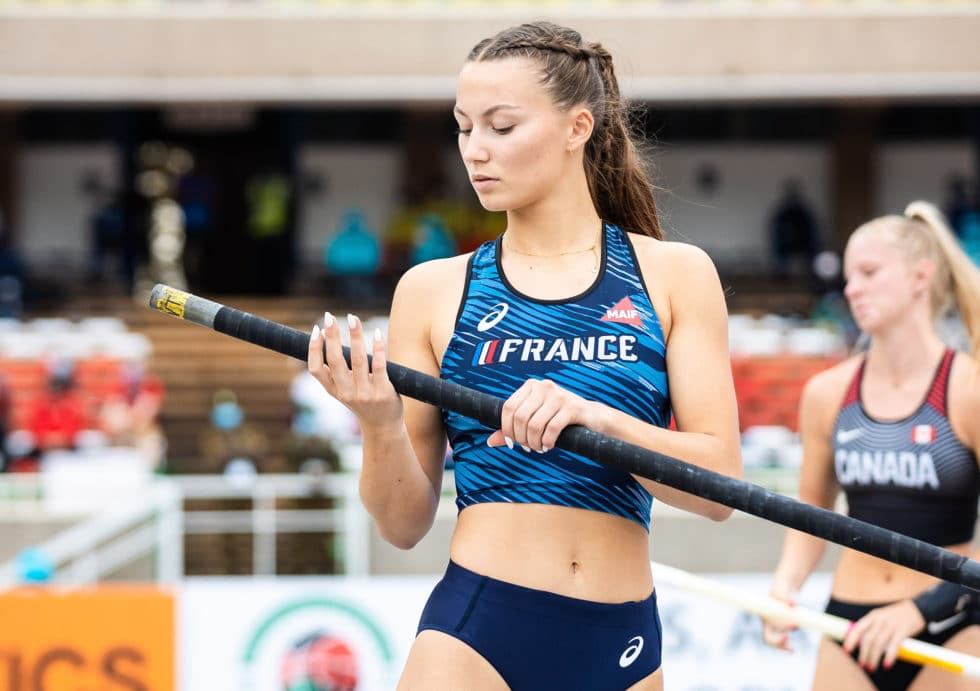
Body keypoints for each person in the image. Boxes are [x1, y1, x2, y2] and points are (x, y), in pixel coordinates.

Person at [307, 21, 741, 690]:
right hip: (478, 630)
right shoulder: (434, 289)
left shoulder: (674, 275)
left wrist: (602, 422)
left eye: (501, 127)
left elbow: (719, 490)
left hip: (620, 639)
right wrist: (378, 422)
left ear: (577, 128)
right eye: (463, 127)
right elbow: (401, 524)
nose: (475, 151)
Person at [763, 201, 980, 691]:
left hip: (948, 622)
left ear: (920, 277)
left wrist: (919, 611)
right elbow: (810, 515)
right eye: (848, 276)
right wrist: (784, 587)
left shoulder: (968, 389)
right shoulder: (827, 393)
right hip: (850, 623)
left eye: (868, 273)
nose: (851, 289)